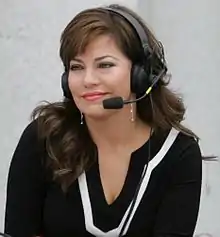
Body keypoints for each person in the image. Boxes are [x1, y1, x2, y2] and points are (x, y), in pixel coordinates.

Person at [4, 4, 202, 237]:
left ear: (141, 74)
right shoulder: (44, 139)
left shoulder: (179, 154)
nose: (88, 80)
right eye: (77, 67)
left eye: (104, 65)